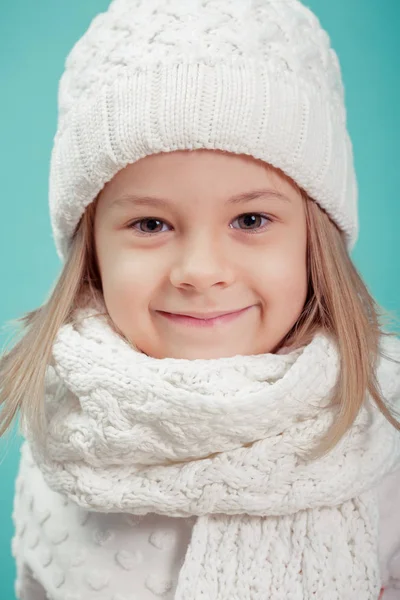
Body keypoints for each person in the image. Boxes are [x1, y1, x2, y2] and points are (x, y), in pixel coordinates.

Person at [1, 0, 399, 598]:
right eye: (151, 225)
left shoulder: (385, 435)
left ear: (314, 240)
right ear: (92, 253)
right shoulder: (62, 438)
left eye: (252, 218)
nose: (201, 272)